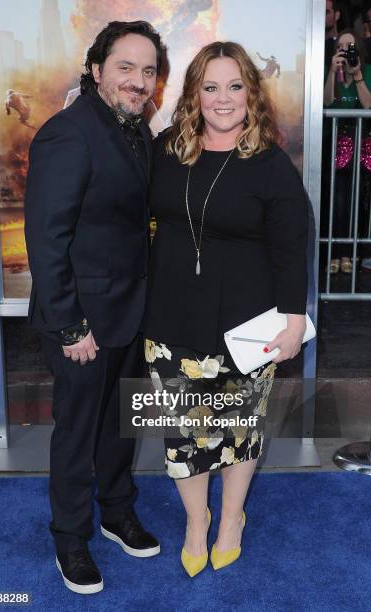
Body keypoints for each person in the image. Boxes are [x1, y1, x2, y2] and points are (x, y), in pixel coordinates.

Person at [143, 41, 309, 577]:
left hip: (247, 326)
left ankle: (232, 517)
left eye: (234, 86)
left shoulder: (271, 164)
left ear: (251, 94)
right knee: (182, 432)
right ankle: (197, 521)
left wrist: (294, 320)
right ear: (194, 94)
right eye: (210, 87)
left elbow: (291, 246)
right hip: (170, 319)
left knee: (239, 430)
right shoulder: (167, 149)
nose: (222, 98)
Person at [24, 21, 163, 595]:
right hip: (82, 321)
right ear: (97, 69)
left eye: (149, 70)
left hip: (130, 311)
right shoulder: (69, 133)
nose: (138, 81)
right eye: (126, 67)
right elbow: (46, 238)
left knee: (121, 426)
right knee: (78, 432)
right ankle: (70, 536)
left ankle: (115, 510)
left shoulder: (137, 130)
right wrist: (68, 325)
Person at [324, 28, 371, 274]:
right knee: (338, 201)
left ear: (358, 50)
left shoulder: (367, 71)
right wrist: (333, 71)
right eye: (341, 47)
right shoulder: (330, 71)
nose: (345, 51)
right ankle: (335, 252)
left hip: (363, 142)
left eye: (350, 47)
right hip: (337, 140)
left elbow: (368, 105)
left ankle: (353, 254)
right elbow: (325, 101)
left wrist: (359, 75)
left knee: (359, 203)